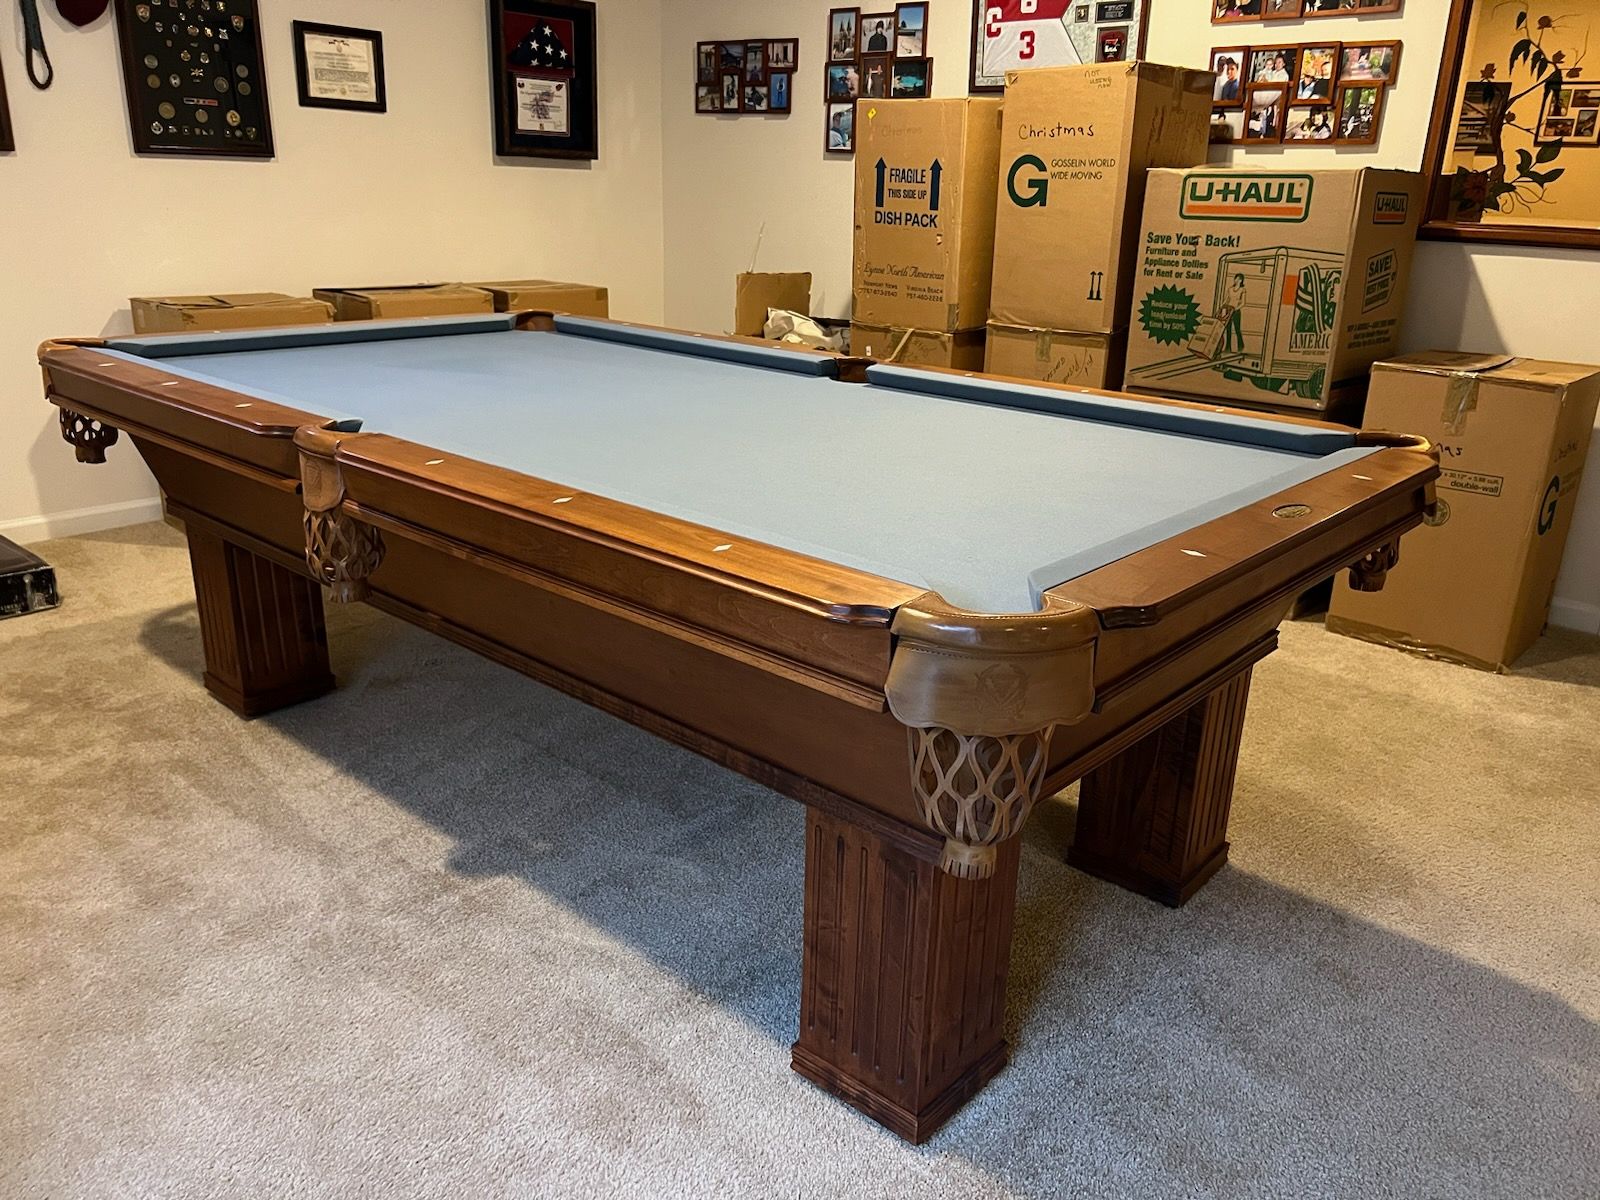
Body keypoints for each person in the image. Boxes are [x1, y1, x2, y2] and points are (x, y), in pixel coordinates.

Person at [1222, 274, 1247, 353]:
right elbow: (1226, 300)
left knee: (1237, 329)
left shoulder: (1242, 290)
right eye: (1235, 278)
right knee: (1228, 329)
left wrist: (1235, 308)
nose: (1235, 280)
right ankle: (1228, 347)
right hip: (1228, 311)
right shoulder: (1230, 289)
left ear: (1241, 280)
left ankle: (1240, 346)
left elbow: (1243, 303)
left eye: (1237, 279)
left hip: (1236, 311)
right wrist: (1222, 306)